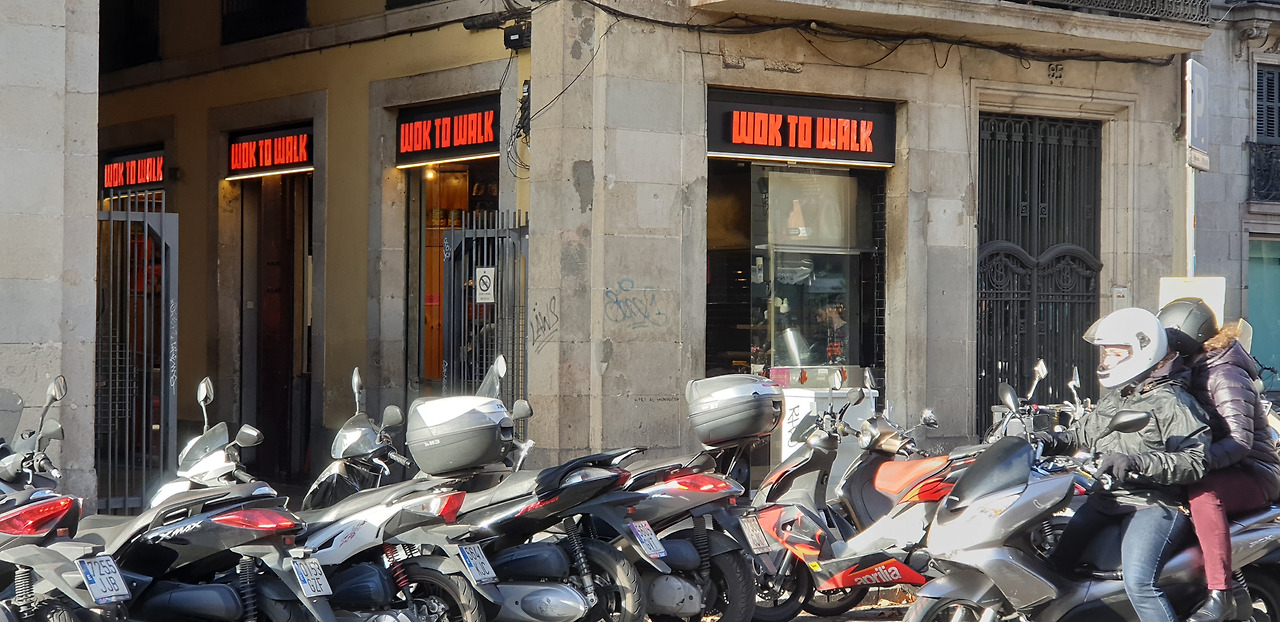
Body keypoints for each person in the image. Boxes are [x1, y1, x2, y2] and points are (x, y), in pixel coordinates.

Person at [1034, 307, 1211, 622]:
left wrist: (1138, 462)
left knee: (1139, 583)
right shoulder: (1120, 395)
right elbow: (1083, 433)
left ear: (1143, 352)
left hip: (1153, 505)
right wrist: (1048, 440)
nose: (1106, 361)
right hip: (1107, 499)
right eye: (1106, 353)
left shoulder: (1174, 402)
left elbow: (1196, 461)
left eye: (1116, 354)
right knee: (1053, 567)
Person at [1157, 298, 1280, 622]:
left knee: (1204, 495)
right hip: (1223, 466)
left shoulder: (1224, 375)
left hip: (1254, 472)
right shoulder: (1191, 368)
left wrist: (1192, 463)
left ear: (1185, 337)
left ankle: (1220, 593)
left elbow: (1240, 442)